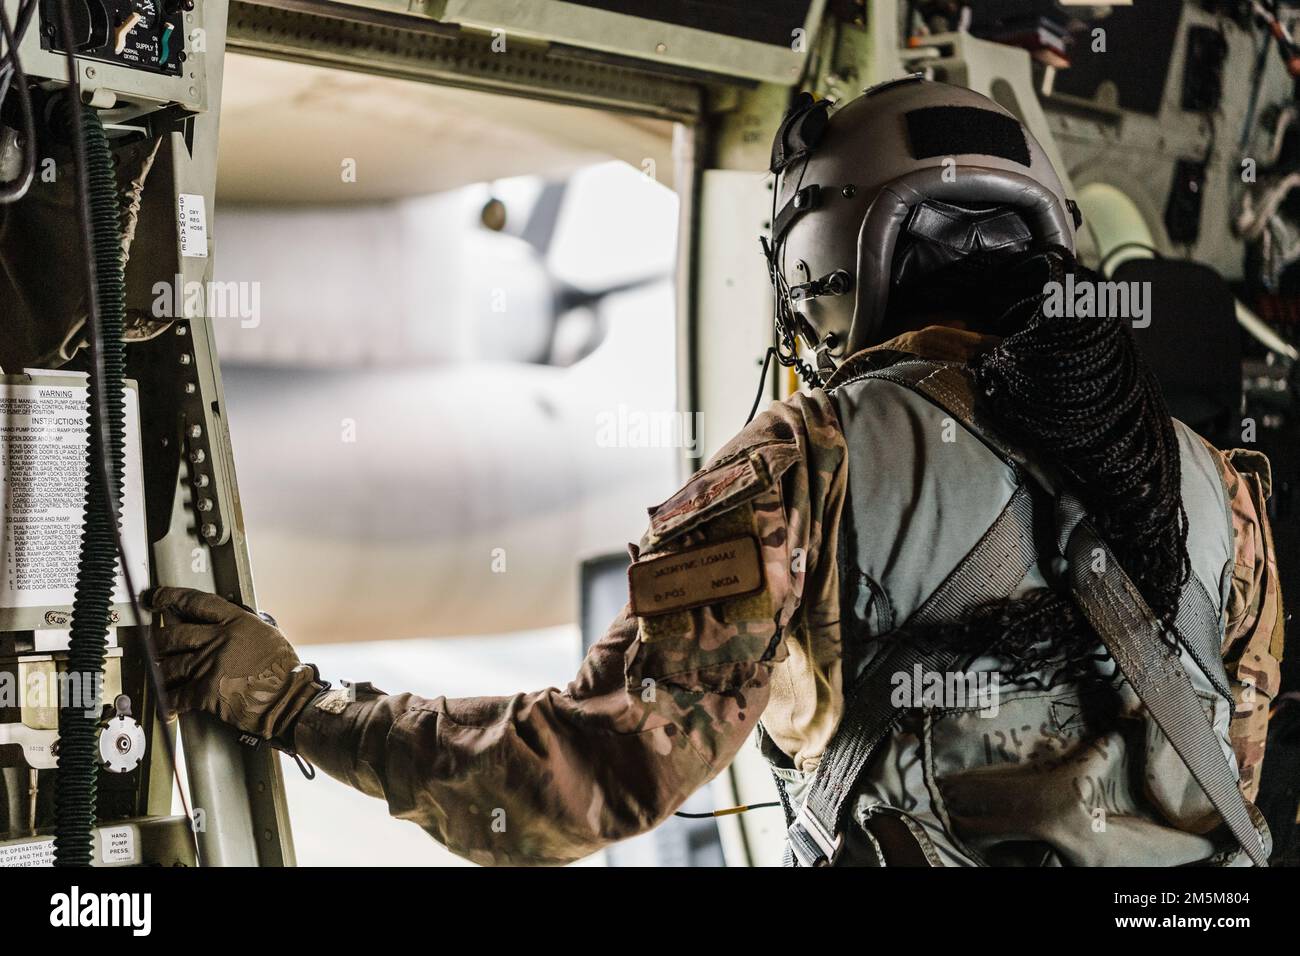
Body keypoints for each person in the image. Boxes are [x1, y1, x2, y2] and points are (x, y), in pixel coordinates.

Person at [148, 77, 1284, 867]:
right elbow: (1206, 776)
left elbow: (567, 786)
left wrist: (295, 703)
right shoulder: (1217, 492)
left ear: (826, 267)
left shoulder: (809, 460)